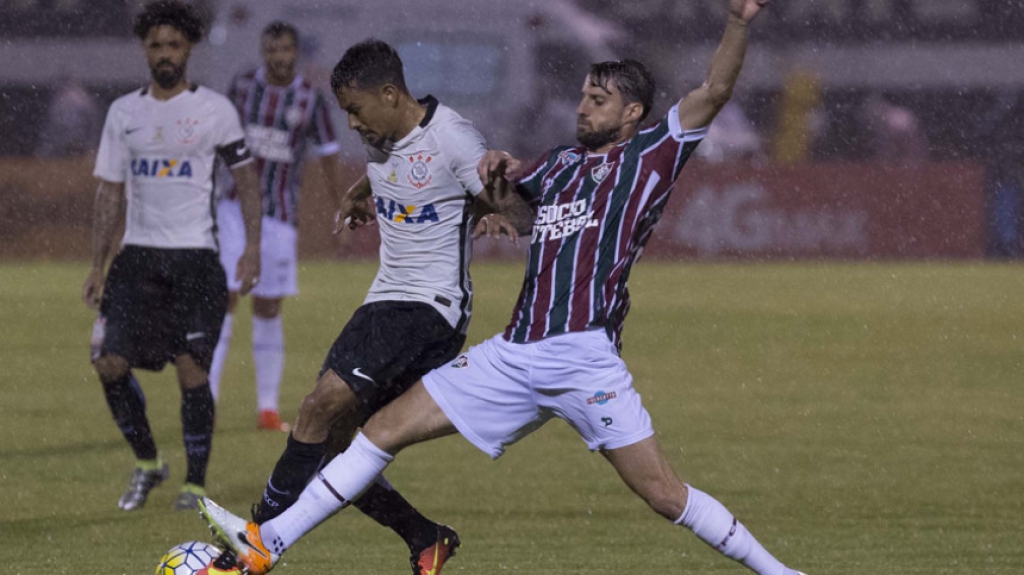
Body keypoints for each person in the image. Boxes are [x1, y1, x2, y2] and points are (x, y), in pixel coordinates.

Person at [200, 2, 810, 574]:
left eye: (599, 100)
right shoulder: (558, 163)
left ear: (631, 114)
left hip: (584, 357)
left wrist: (736, 21)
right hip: (514, 352)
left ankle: (779, 571)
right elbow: (499, 193)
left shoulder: (651, 156)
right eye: (582, 95)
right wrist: (490, 184)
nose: (584, 106)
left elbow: (714, 92)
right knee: (379, 431)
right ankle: (266, 545)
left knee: (662, 494)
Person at [208, 39, 528, 575]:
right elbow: (392, 169)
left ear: (389, 93)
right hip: (384, 301)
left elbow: (513, 203)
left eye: (355, 110)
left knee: (316, 409)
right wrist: (361, 193)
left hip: (428, 307)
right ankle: (425, 537)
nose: (353, 125)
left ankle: (254, 539)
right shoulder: (385, 134)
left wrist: (500, 211)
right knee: (333, 444)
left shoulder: (452, 136)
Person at [81, 0, 262, 512]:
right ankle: (147, 464)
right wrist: (98, 263)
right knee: (109, 362)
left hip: (196, 259)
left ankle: (196, 485)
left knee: (192, 371)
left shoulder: (215, 110)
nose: (165, 53)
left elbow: (247, 183)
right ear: (146, 49)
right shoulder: (124, 112)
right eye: (156, 45)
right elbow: (110, 193)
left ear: (189, 49)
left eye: (174, 45)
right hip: (137, 259)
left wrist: (253, 248)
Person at [208, 21, 344, 432]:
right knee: (227, 295)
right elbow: (219, 138)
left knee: (268, 306)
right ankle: (207, 401)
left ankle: (267, 408)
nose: (278, 57)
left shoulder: (310, 99)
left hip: (280, 216)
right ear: (263, 51)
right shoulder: (244, 86)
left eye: (285, 49)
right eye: (272, 50)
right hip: (233, 207)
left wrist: (341, 208)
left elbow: (329, 153)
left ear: (296, 52)